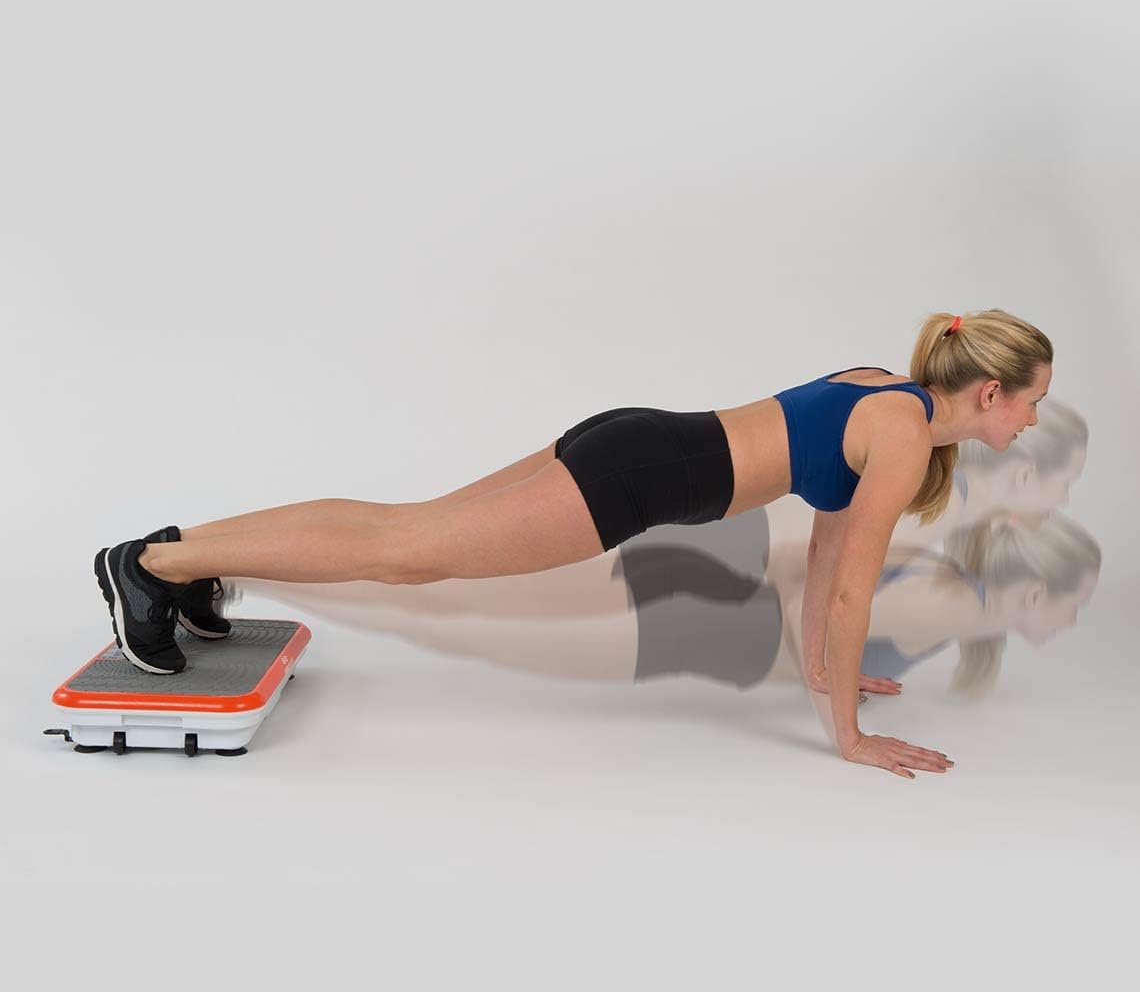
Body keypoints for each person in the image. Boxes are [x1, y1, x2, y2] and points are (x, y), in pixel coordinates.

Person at [94, 307, 1054, 778]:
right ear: (989, 394)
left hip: (637, 440)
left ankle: (176, 557)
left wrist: (824, 675)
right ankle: (152, 564)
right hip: (635, 477)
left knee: (405, 530)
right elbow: (848, 589)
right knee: (405, 549)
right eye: (1032, 403)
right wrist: (849, 737)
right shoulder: (898, 436)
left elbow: (832, 566)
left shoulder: (883, 392)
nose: (1033, 422)